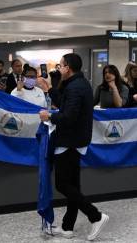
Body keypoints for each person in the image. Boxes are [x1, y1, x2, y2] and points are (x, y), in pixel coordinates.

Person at [38, 53, 109, 241]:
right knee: (73, 185)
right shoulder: (78, 84)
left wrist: (49, 117)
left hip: (70, 141)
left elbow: (68, 116)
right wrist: (50, 89)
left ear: (67, 67)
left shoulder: (76, 87)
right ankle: (68, 227)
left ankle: (96, 216)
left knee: (62, 184)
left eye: (61, 65)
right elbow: (65, 104)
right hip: (76, 140)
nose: (58, 68)